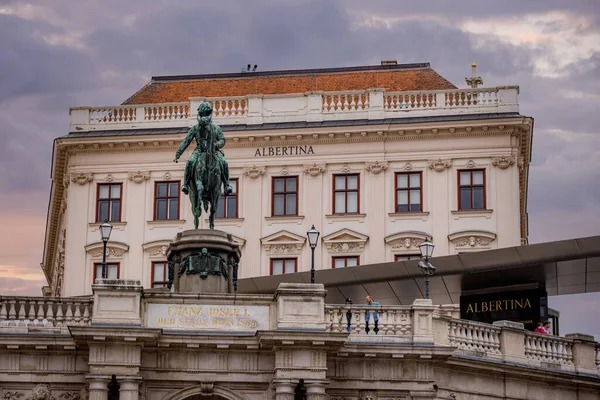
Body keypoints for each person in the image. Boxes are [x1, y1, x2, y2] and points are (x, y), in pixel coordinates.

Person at [174, 102, 233, 196]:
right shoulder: (195, 128)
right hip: (199, 150)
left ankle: (227, 185)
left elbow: (222, 140)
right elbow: (186, 141)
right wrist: (178, 153)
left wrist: (215, 145)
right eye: (203, 114)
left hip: (214, 150)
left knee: (224, 163)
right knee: (190, 162)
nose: (204, 116)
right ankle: (185, 184)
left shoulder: (216, 128)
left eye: (206, 114)